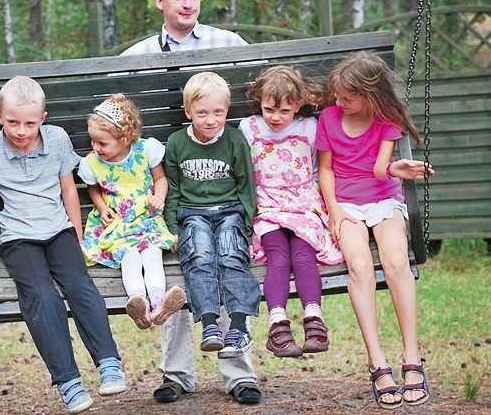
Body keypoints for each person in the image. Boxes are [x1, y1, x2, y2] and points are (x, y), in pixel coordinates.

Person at [0, 76, 126, 414]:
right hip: (18, 239)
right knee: (41, 295)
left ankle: (109, 363)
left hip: (59, 230)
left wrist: (76, 236)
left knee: (80, 285)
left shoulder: (57, 140)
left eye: (30, 123)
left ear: (43, 119)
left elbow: (68, 190)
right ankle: (69, 383)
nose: (21, 130)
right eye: (12, 122)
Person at [121, 0, 262, 405]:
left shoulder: (230, 44)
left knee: (225, 257)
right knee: (183, 264)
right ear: (160, 0)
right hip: (164, 187)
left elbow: (268, 92)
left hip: (220, 180)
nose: (187, 2)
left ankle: (239, 373)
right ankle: (177, 374)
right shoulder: (134, 58)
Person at [316, 52, 435, 410]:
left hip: (383, 200)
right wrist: (335, 212)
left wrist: (397, 167)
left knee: (397, 261)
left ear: (370, 94)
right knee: (360, 266)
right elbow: (326, 171)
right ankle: (377, 361)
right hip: (346, 204)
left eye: (347, 98)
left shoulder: (387, 117)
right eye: (337, 95)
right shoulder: (329, 117)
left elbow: (381, 169)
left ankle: (412, 356)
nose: (339, 102)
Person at [238, 66, 344, 358]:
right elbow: (246, 174)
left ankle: (314, 319)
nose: (275, 117)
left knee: (303, 254)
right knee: (278, 256)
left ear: (297, 105)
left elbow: (314, 169)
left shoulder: (309, 127)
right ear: (260, 101)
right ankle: (278, 323)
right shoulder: (250, 128)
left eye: (284, 110)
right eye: (269, 109)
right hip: (268, 203)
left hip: (302, 203)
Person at [165, 72, 261, 360]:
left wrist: (249, 229)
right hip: (193, 214)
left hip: (230, 211)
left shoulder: (234, 140)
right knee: (200, 256)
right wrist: (172, 228)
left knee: (232, 254)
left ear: (227, 110)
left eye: (218, 112)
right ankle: (209, 325)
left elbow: (247, 187)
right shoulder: (176, 143)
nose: (211, 120)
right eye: (202, 113)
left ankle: (239, 326)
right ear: (188, 112)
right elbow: (172, 190)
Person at [78, 93, 186, 329]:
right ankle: (138, 304)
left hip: (146, 217)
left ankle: (159, 302)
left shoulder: (145, 150)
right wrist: (102, 206)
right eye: (92, 141)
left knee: (152, 254)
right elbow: (93, 189)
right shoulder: (92, 163)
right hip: (117, 221)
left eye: (102, 143)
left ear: (126, 138)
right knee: (129, 257)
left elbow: (161, 179)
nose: (95, 147)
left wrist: (159, 196)